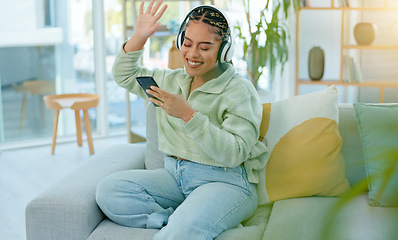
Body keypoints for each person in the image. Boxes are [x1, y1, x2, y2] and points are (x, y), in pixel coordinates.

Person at [96, 0, 269, 239]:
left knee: (177, 234)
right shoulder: (171, 81)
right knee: (109, 190)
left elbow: (235, 153)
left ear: (224, 50)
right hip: (173, 176)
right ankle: (179, 220)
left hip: (224, 181)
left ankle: (191, 222)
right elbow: (125, 76)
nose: (192, 54)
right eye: (187, 44)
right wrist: (140, 36)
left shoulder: (240, 91)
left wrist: (188, 115)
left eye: (205, 47)